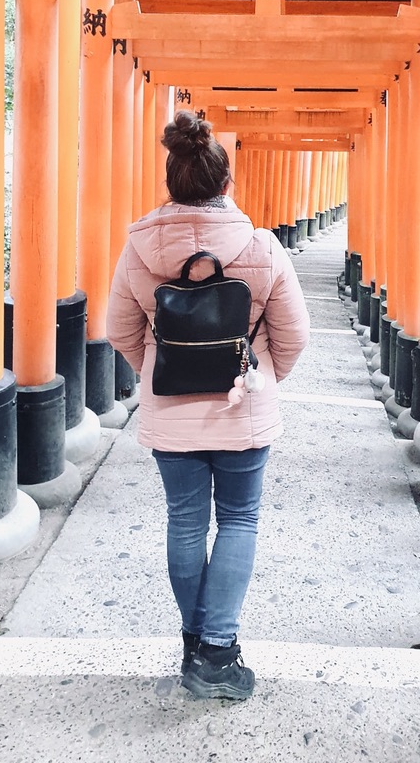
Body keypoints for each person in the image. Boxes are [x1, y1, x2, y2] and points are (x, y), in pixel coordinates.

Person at [107, 111, 310, 700]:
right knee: (240, 520)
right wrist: (263, 376)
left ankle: (195, 641)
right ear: (227, 185)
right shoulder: (263, 248)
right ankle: (219, 654)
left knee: (186, 522)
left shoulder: (140, 249)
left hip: (171, 415)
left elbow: (120, 330)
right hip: (241, 409)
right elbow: (294, 336)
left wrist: (157, 371)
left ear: (172, 183)